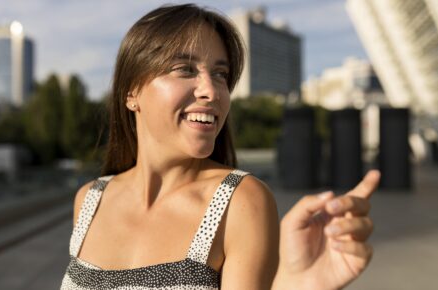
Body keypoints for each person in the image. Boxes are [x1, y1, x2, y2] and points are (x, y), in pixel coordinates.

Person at [60, 4, 379, 290]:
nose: (211, 91)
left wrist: (296, 285)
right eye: (185, 69)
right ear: (131, 93)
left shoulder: (239, 202)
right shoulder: (90, 199)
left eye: (220, 74)